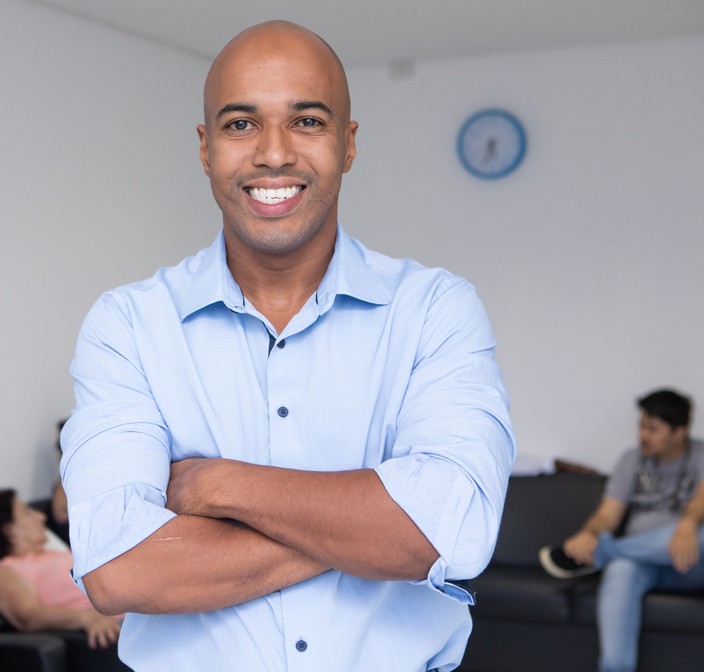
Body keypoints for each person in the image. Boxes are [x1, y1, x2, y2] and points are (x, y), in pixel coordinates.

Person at [59, 19, 516, 672]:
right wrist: (379, 530)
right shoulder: (130, 325)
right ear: (205, 146)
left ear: (348, 142)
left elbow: (456, 530)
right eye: (241, 124)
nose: (273, 154)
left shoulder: (435, 310)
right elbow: (118, 572)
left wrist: (218, 485)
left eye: (307, 121)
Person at [539, 389, 704, 672]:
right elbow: (608, 514)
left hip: (691, 562)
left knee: (700, 538)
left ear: (679, 432)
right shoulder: (631, 459)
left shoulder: (701, 454)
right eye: (641, 426)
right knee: (621, 570)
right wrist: (589, 534)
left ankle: (601, 554)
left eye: (653, 429)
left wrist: (687, 525)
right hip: (642, 559)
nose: (643, 435)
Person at [0, 488, 123, 651]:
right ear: (9, 530)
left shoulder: (56, 554)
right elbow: (28, 616)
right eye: (27, 513)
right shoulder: (2, 572)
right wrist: (86, 618)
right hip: (117, 624)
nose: (41, 516)